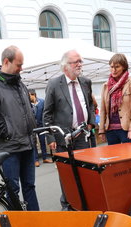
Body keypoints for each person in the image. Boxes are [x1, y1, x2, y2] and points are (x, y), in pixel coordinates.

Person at [0, 45, 40, 211]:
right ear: (6, 61)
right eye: (19, 65)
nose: (21, 68)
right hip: (9, 148)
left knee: (30, 186)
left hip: (27, 144)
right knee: (12, 190)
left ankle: (37, 223)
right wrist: (7, 133)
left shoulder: (19, 83)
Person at [42, 49, 97, 210]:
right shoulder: (54, 84)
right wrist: (50, 138)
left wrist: (91, 123)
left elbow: (91, 105)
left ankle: (84, 203)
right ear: (66, 66)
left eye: (81, 61)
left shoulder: (86, 82)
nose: (80, 64)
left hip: (83, 137)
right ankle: (67, 205)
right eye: (76, 62)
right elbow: (47, 113)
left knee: (85, 172)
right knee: (66, 175)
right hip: (63, 138)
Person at [98, 53, 131, 145]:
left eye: (117, 67)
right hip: (110, 130)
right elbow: (103, 110)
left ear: (124, 67)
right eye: (111, 67)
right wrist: (101, 130)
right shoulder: (106, 85)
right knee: (114, 158)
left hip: (126, 128)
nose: (113, 70)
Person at [28, 88, 52, 166]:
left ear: (33, 95)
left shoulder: (42, 102)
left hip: (41, 126)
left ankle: (45, 158)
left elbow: (45, 113)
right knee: (34, 143)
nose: (28, 98)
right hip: (32, 127)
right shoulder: (28, 104)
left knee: (42, 142)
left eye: (29, 96)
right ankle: (36, 160)